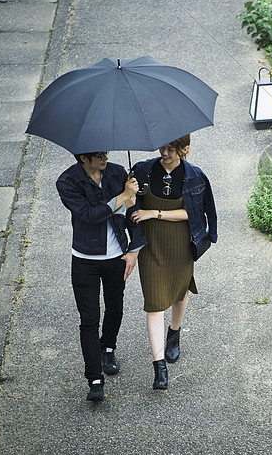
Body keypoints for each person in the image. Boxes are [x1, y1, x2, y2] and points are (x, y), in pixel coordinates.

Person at [56, 151, 144, 402]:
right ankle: (94, 379)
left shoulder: (117, 173)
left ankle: (108, 348)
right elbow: (91, 215)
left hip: (116, 256)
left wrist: (134, 249)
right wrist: (123, 196)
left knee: (115, 307)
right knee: (89, 319)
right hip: (85, 258)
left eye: (106, 151)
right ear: (83, 158)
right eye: (98, 155)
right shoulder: (67, 182)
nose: (105, 157)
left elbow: (133, 213)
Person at [130, 135, 217, 390]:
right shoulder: (143, 170)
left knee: (180, 292)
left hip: (180, 243)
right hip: (151, 245)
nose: (165, 152)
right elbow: (130, 206)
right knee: (155, 303)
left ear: (184, 149)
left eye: (171, 148)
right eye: (163, 147)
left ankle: (175, 333)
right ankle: (159, 367)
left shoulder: (195, 176)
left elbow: (196, 212)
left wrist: (154, 213)